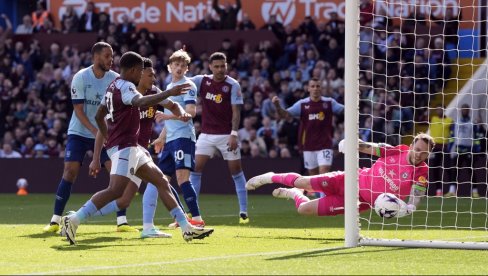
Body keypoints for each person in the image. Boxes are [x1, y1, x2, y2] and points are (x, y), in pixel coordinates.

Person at [61, 51, 213, 245]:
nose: (142, 75)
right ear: (133, 70)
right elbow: (140, 102)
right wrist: (169, 92)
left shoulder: (112, 86)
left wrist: (109, 137)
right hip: (126, 147)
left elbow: (99, 116)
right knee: (115, 191)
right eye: (141, 71)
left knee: (161, 181)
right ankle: (74, 219)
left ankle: (186, 228)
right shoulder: (126, 86)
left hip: (132, 147)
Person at [87, 57, 193, 239]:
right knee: (120, 194)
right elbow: (102, 120)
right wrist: (97, 156)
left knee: (152, 186)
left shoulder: (153, 92)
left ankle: (154, 227)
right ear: (139, 73)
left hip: (139, 150)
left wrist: (181, 113)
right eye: (150, 74)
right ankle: (77, 217)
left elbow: (173, 105)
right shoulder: (125, 92)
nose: (154, 78)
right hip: (126, 148)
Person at [42, 42, 139, 233]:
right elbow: (78, 110)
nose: (111, 60)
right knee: (70, 172)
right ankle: (55, 221)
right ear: (95, 57)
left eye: (112, 56)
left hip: (105, 134)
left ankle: (122, 221)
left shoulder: (115, 79)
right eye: (106, 56)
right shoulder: (81, 77)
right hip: (79, 132)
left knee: (116, 174)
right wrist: (96, 131)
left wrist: (104, 132)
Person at [246, 133, 435, 218]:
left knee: (303, 209)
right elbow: (372, 148)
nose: (419, 154)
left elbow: (417, 194)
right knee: (305, 182)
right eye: (417, 149)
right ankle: (269, 177)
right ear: (411, 146)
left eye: (423, 153)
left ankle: (293, 193)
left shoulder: (421, 172)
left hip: (359, 203)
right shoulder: (396, 152)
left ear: (428, 155)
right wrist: (355, 143)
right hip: (349, 179)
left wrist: (410, 207)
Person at [189, 52, 249, 223]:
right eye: (216, 66)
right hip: (206, 135)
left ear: (226, 66)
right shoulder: (202, 81)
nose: (220, 69)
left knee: (236, 172)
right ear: (210, 67)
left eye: (223, 66)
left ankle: (243, 212)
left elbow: (236, 113)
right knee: (195, 169)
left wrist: (234, 134)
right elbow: (184, 82)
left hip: (226, 135)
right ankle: (193, 211)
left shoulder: (233, 85)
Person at [149, 49, 204, 229]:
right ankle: (182, 217)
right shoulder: (168, 88)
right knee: (162, 182)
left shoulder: (187, 85)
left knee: (182, 179)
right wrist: (160, 138)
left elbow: (191, 112)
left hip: (184, 138)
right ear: (169, 67)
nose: (179, 68)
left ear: (187, 69)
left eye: (183, 65)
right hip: (171, 140)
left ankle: (196, 218)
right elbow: (168, 122)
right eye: (176, 65)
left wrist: (167, 117)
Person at [273, 78, 344, 196]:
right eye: (313, 86)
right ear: (308, 88)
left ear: (321, 88)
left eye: (317, 86)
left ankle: (323, 202)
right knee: (314, 176)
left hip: (325, 145)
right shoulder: (302, 104)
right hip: (309, 146)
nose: (315, 88)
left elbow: (346, 110)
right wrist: (277, 106)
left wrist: (356, 99)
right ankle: (318, 197)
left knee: (323, 174)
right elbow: (285, 115)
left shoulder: (329, 103)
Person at [445, 104, 484, 198]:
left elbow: (476, 137)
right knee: (454, 171)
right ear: (461, 110)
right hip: (458, 150)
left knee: (471, 171)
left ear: (469, 110)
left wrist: (477, 149)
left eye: (466, 109)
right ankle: (452, 191)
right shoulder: (456, 122)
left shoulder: (472, 123)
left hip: (469, 150)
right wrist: (449, 149)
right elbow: (452, 136)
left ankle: (474, 191)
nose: (464, 110)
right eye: (463, 109)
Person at [428, 105, 453, 196]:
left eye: (440, 109)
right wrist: (427, 112)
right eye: (437, 109)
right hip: (435, 147)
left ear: (444, 110)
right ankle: (438, 190)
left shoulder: (449, 120)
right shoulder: (433, 119)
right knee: (435, 168)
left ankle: (451, 189)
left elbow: (453, 133)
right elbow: (421, 120)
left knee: (448, 167)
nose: (439, 111)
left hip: (445, 147)